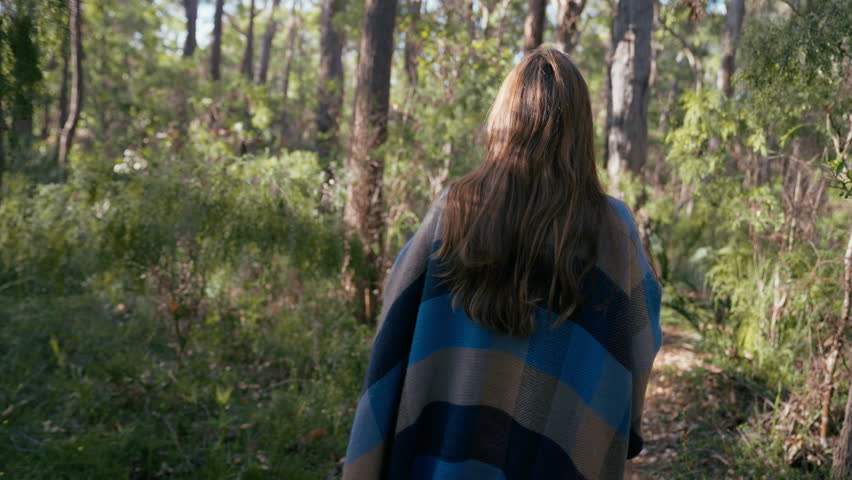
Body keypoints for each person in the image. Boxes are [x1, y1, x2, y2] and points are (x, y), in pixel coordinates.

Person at [342, 48, 662, 480]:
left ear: (504, 117)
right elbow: (639, 346)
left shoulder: (454, 209)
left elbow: (394, 328)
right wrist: (630, 429)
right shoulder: (613, 229)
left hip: (443, 458)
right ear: (581, 128)